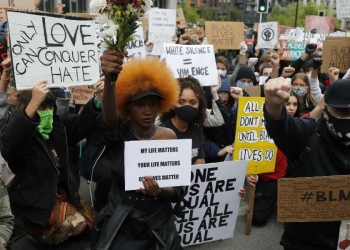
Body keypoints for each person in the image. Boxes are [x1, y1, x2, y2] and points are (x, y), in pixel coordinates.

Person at [91, 54, 185, 250]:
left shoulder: (169, 136)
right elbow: (109, 115)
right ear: (126, 105)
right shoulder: (119, 134)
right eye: (140, 104)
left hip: (158, 222)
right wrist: (109, 77)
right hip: (122, 223)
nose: (148, 110)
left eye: (152, 104)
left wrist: (160, 190)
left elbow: (179, 188)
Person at [0, 81, 99, 245]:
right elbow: (10, 145)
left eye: (49, 107)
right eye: (41, 108)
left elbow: (82, 124)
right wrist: (33, 103)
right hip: (36, 203)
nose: (46, 113)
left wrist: (98, 101)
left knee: (91, 225)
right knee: (77, 225)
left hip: (64, 194)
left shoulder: (57, 126)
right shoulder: (21, 133)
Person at [263, 77, 350, 249]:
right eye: (342, 112)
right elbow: (282, 128)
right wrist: (273, 106)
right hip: (306, 243)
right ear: (325, 112)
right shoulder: (308, 134)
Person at [160, 76, 206, 165]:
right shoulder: (162, 132)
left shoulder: (197, 130)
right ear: (172, 104)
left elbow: (198, 163)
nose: (187, 106)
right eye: (181, 102)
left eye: (192, 103)